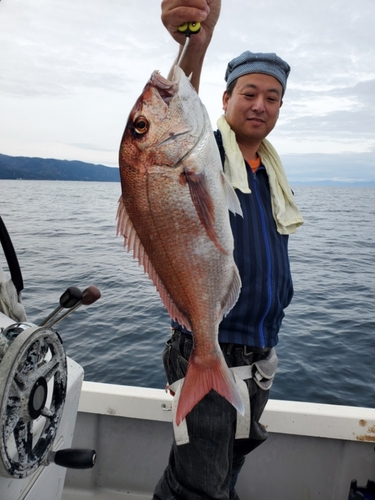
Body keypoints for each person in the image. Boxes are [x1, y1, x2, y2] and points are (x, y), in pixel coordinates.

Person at [153, 1, 304, 499]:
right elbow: (177, 108)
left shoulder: (269, 172)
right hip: (209, 345)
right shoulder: (204, 152)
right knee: (195, 486)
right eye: (250, 93)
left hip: (259, 354)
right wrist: (196, 40)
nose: (261, 105)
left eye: (273, 97)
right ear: (224, 98)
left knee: (228, 470)